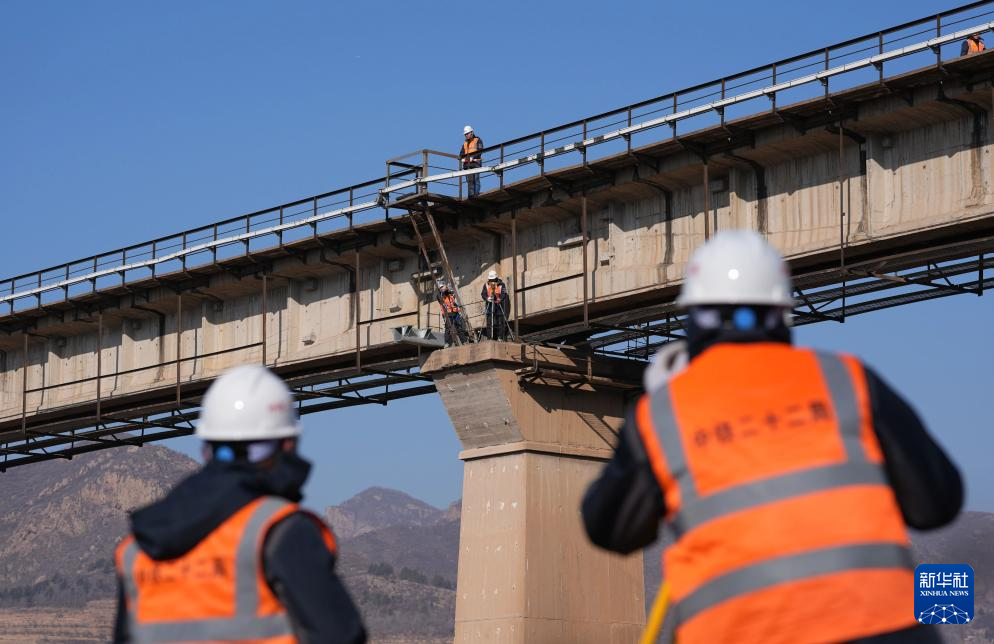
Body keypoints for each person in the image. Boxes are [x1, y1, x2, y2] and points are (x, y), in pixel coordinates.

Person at [582, 230, 962, 644]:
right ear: (783, 313)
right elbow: (935, 504)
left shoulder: (664, 412)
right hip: (883, 631)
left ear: (695, 317)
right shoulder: (845, 380)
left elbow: (610, 528)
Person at [113, 365, 367, 644]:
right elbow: (340, 635)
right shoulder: (280, 531)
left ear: (206, 449)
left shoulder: (135, 552)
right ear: (287, 445)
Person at [481, 270, 510, 341]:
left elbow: (504, 293)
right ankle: (489, 338)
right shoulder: (486, 285)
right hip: (490, 305)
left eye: (493, 279)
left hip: (499, 305)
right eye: (491, 279)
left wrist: (500, 299)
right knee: (489, 322)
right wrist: (487, 298)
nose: (492, 280)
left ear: (496, 278)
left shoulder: (501, 284)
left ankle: (500, 337)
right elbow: (483, 294)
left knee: (501, 321)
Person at [437, 280, 469, 345]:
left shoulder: (450, 292)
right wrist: (444, 291)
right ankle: (446, 343)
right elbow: (441, 299)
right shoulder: (439, 295)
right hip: (447, 314)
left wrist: (449, 289)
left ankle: (464, 341)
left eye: (442, 287)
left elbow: (454, 298)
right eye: (440, 288)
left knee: (459, 327)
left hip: (455, 312)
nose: (442, 288)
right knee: (448, 328)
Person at [460, 125, 483, 197]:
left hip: (476, 163)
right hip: (467, 164)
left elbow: (480, 150)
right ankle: (471, 195)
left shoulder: (477, 140)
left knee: (476, 179)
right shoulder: (465, 143)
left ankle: (476, 194)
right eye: (465, 134)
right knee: (469, 181)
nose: (466, 135)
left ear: (471, 132)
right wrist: (462, 158)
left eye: (467, 134)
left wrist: (473, 157)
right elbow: (461, 153)